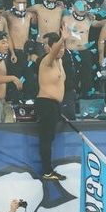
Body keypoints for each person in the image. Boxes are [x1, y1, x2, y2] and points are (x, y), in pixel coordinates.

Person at [35, 32, 67, 181]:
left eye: (63, 47)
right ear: (50, 48)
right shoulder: (46, 61)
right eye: (58, 47)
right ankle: (47, 171)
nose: (61, 50)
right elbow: (54, 52)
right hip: (45, 103)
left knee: (50, 138)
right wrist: (62, 38)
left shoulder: (60, 62)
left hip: (55, 105)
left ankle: (49, 169)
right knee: (46, 139)